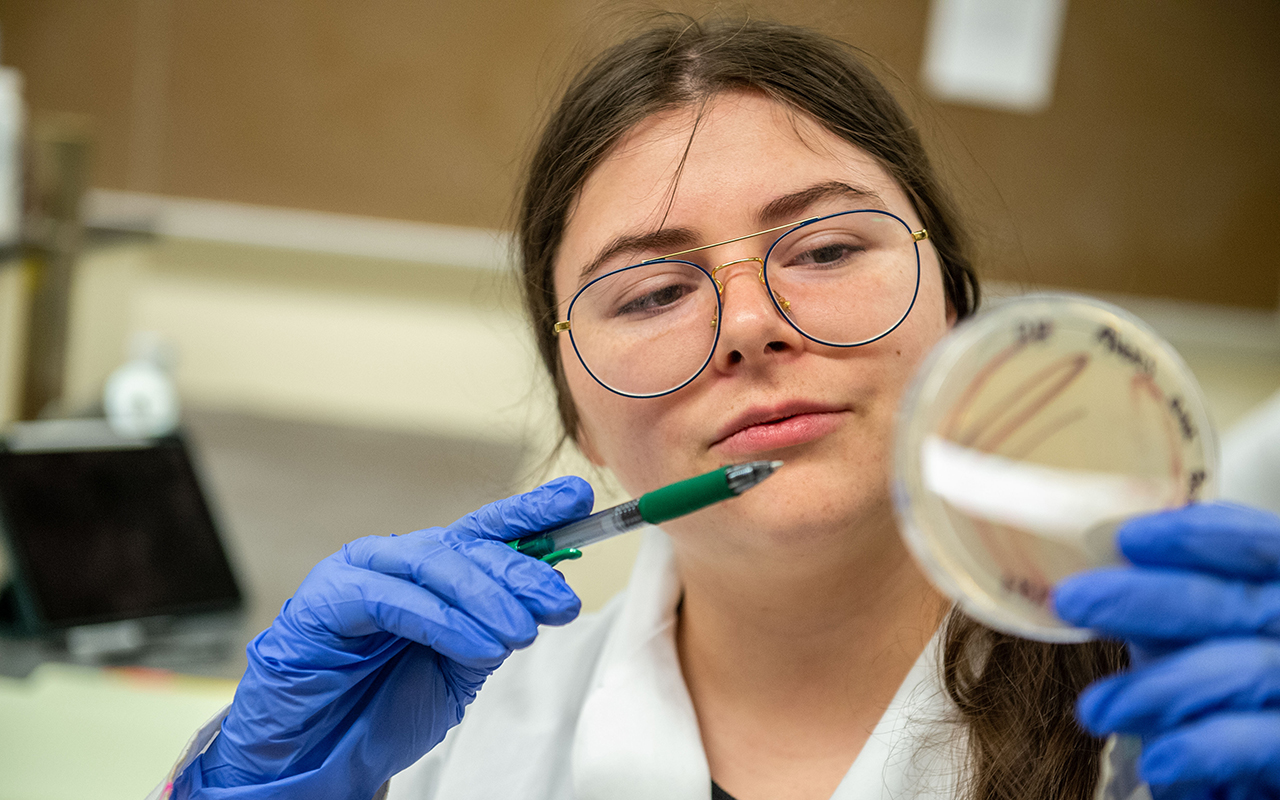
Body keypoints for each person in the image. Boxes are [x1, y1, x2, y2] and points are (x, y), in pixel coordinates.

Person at [157, 16, 1280, 800]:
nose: (749, 322)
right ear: (579, 417)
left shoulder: (1175, 708)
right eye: (650, 291)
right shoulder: (451, 747)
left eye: (829, 245)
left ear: (955, 313)